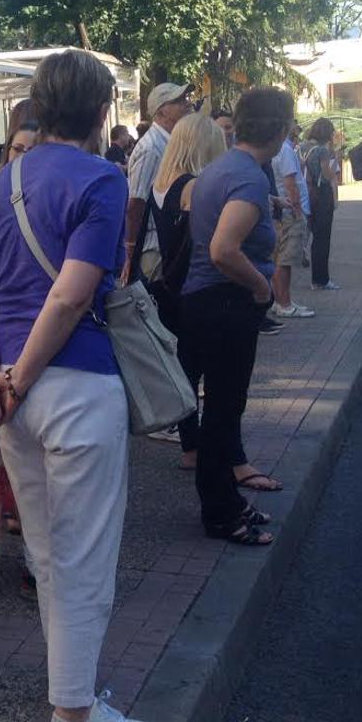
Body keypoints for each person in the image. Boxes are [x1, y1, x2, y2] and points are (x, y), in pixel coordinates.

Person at [0, 50, 161, 722]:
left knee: (46, 549)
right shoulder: (104, 180)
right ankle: (74, 711)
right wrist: (17, 377)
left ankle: (67, 688)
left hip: (12, 397)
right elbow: (73, 293)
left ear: (38, 107)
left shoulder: (1, 181)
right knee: (84, 552)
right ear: (103, 109)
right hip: (76, 385)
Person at [181, 88, 294, 546]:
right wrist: (261, 286)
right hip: (225, 302)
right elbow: (223, 249)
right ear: (282, 131)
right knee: (224, 411)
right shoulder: (247, 177)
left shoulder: (223, 167)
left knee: (223, 410)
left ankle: (227, 501)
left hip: (207, 302)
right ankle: (220, 514)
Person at [150, 113, 227, 468]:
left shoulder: (161, 182)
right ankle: (201, 448)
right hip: (197, 284)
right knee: (208, 369)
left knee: (186, 367)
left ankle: (189, 446)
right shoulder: (195, 185)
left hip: (171, 284)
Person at [123, 83, 193, 284]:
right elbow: (136, 203)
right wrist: (130, 250)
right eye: (179, 101)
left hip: (165, 244)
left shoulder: (168, 142)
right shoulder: (151, 148)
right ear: (161, 111)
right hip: (153, 249)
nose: (187, 104)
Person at [269, 124, 314, 318]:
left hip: (281, 210)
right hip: (289, 211)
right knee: (284, 260)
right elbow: (290, 183)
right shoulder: (285, 149)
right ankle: (283, 303)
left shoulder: (275, 147)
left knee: (280, 259)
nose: (296, 127)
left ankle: (282, 300)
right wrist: (297, 210)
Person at [305, 119, 341, 290]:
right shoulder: (322, 151)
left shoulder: (301, 147)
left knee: (313, 236)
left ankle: (315, 279)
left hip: (307, 194)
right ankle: (321, 280)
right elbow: (327, 175)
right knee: (322, 239)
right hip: (322, 195)